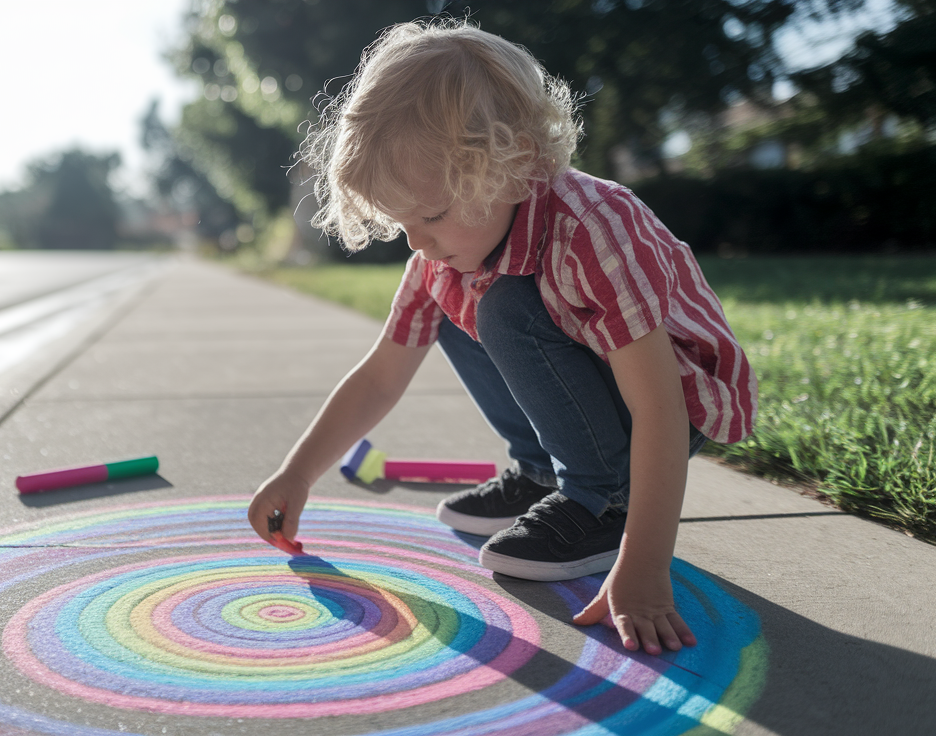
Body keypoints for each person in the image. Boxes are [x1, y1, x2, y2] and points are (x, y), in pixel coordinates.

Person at [247, 20, 757, 656]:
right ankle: (547, 471)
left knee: (506, 306)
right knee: (457, 298)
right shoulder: (443, 257)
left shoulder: (593, 229)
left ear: (516, 167)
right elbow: (382, 374)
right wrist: (296, 475)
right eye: (402, 222)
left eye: (430, 215)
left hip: (674, 402)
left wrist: (646, 567)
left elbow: (660, 403)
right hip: (605, 390)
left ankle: (604, 501)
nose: (415, 240)